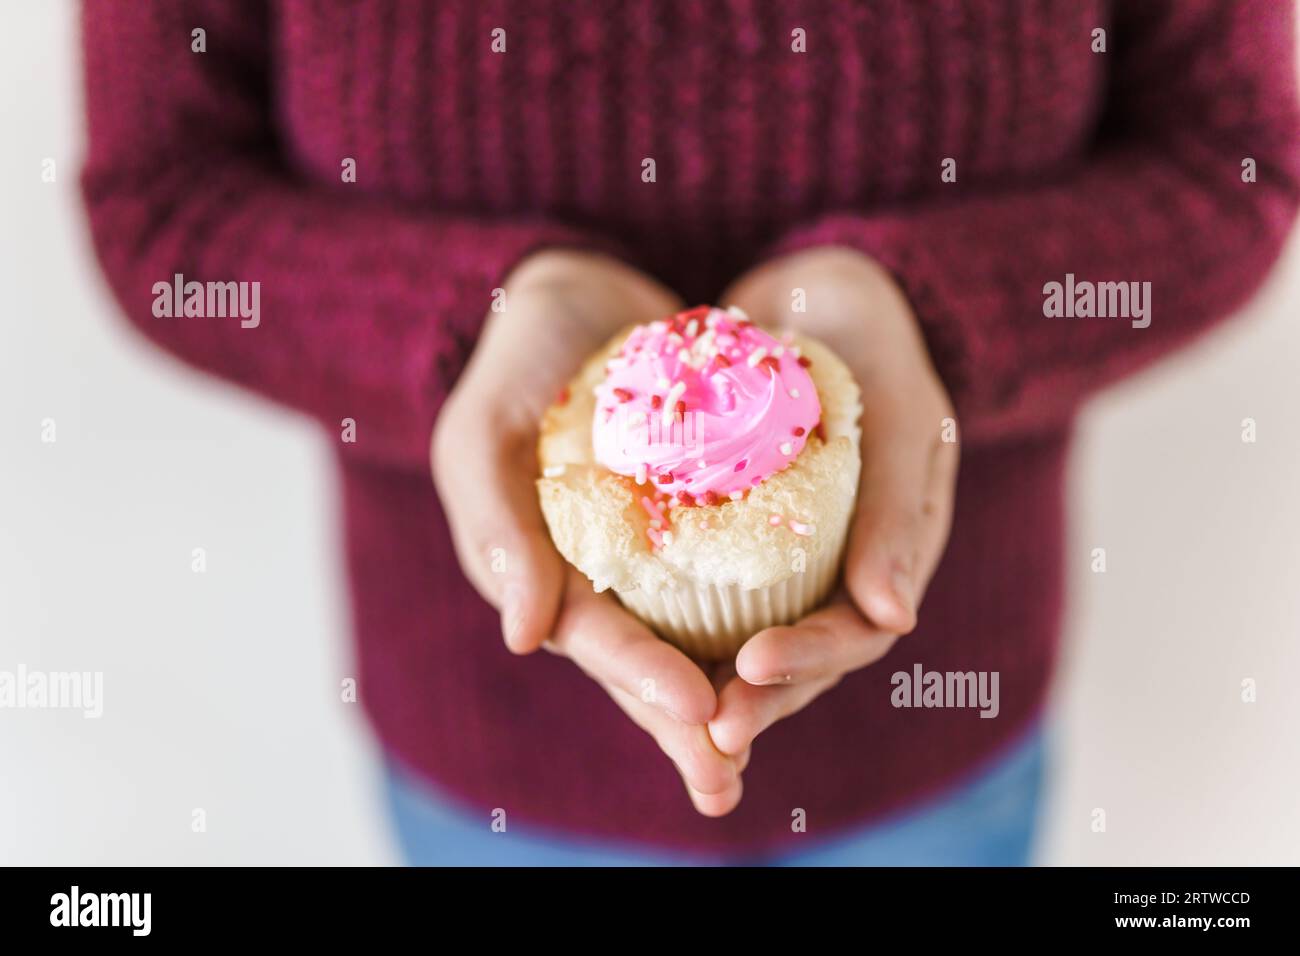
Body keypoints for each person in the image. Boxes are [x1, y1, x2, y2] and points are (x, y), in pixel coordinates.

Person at [81, 0, 1299, 865]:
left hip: (938, 739)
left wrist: (927, 305)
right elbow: (162, 199)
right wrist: (471, 320)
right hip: (489, 761)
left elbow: (1231, 158)